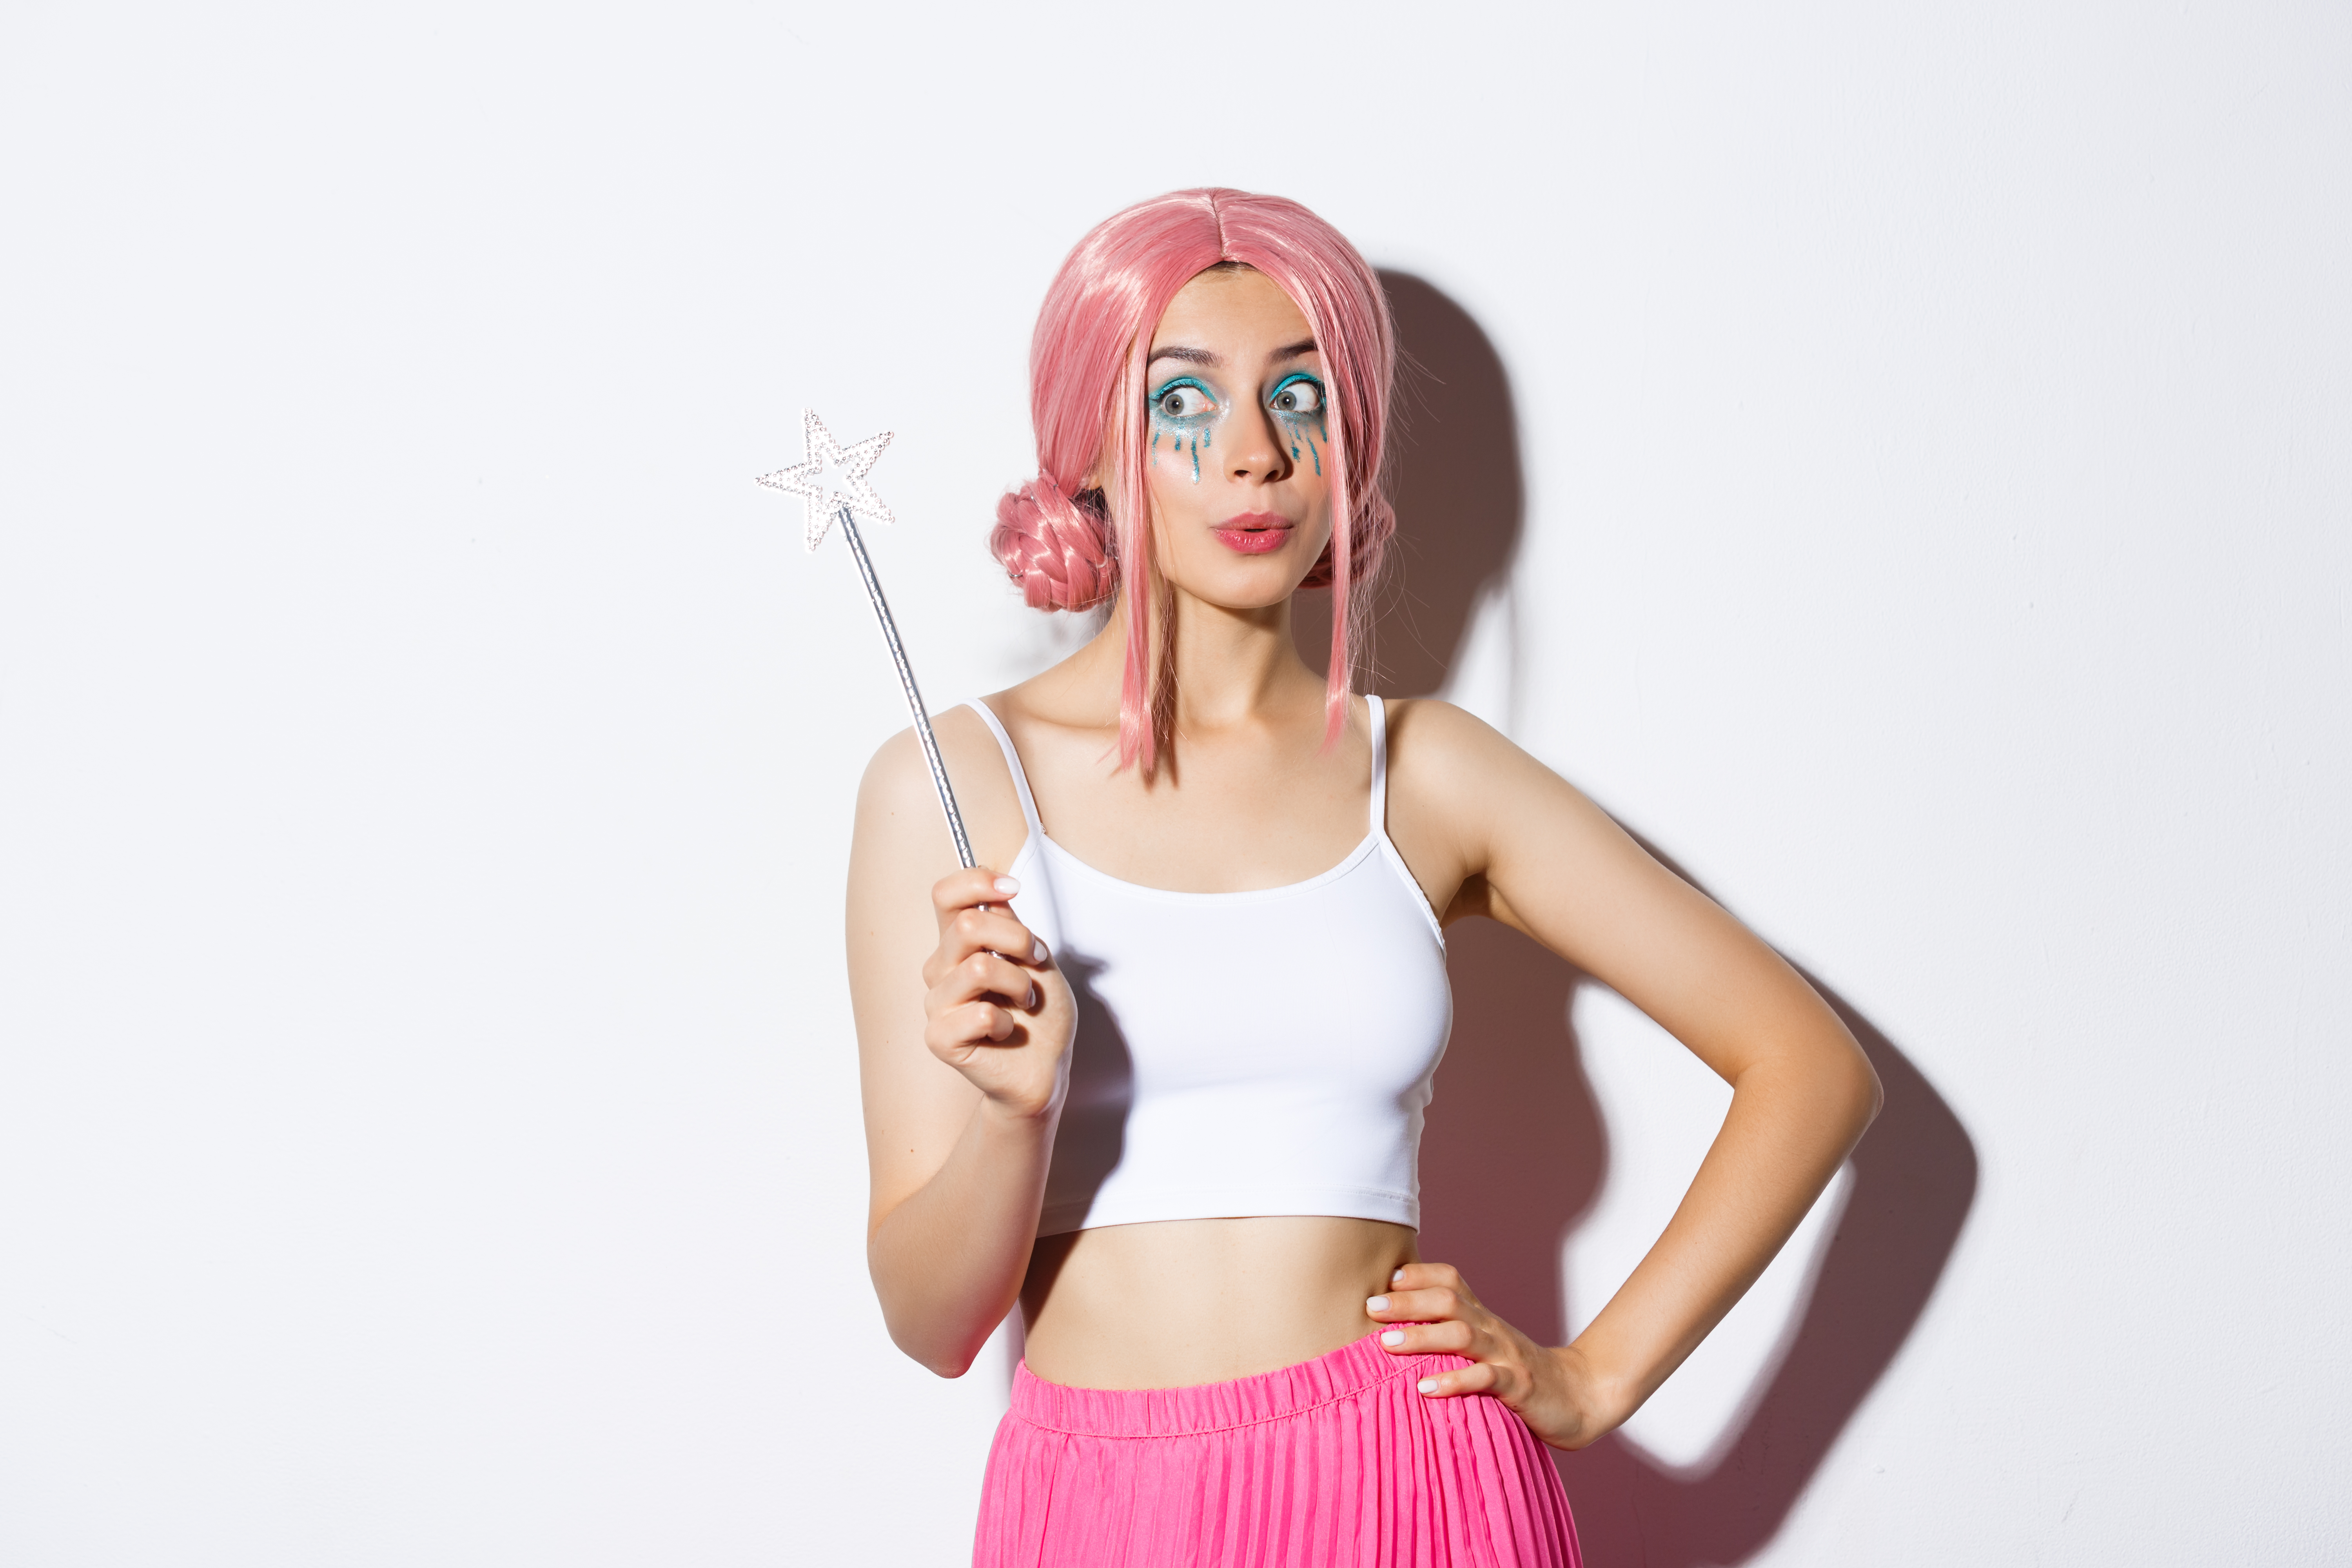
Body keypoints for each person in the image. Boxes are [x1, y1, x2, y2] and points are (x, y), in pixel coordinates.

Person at [845, 189, 1881, 1568]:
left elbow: (1809, 1064)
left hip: (1412, 1486)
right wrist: (1012, 1118)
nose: (1257, 457)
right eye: (1183, 405)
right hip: (1100, 1510)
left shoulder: (1431, 775)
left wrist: (1598, 1377)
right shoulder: (950, 787)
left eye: (1301, 396)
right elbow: (931, 1326)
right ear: (1087, 446)